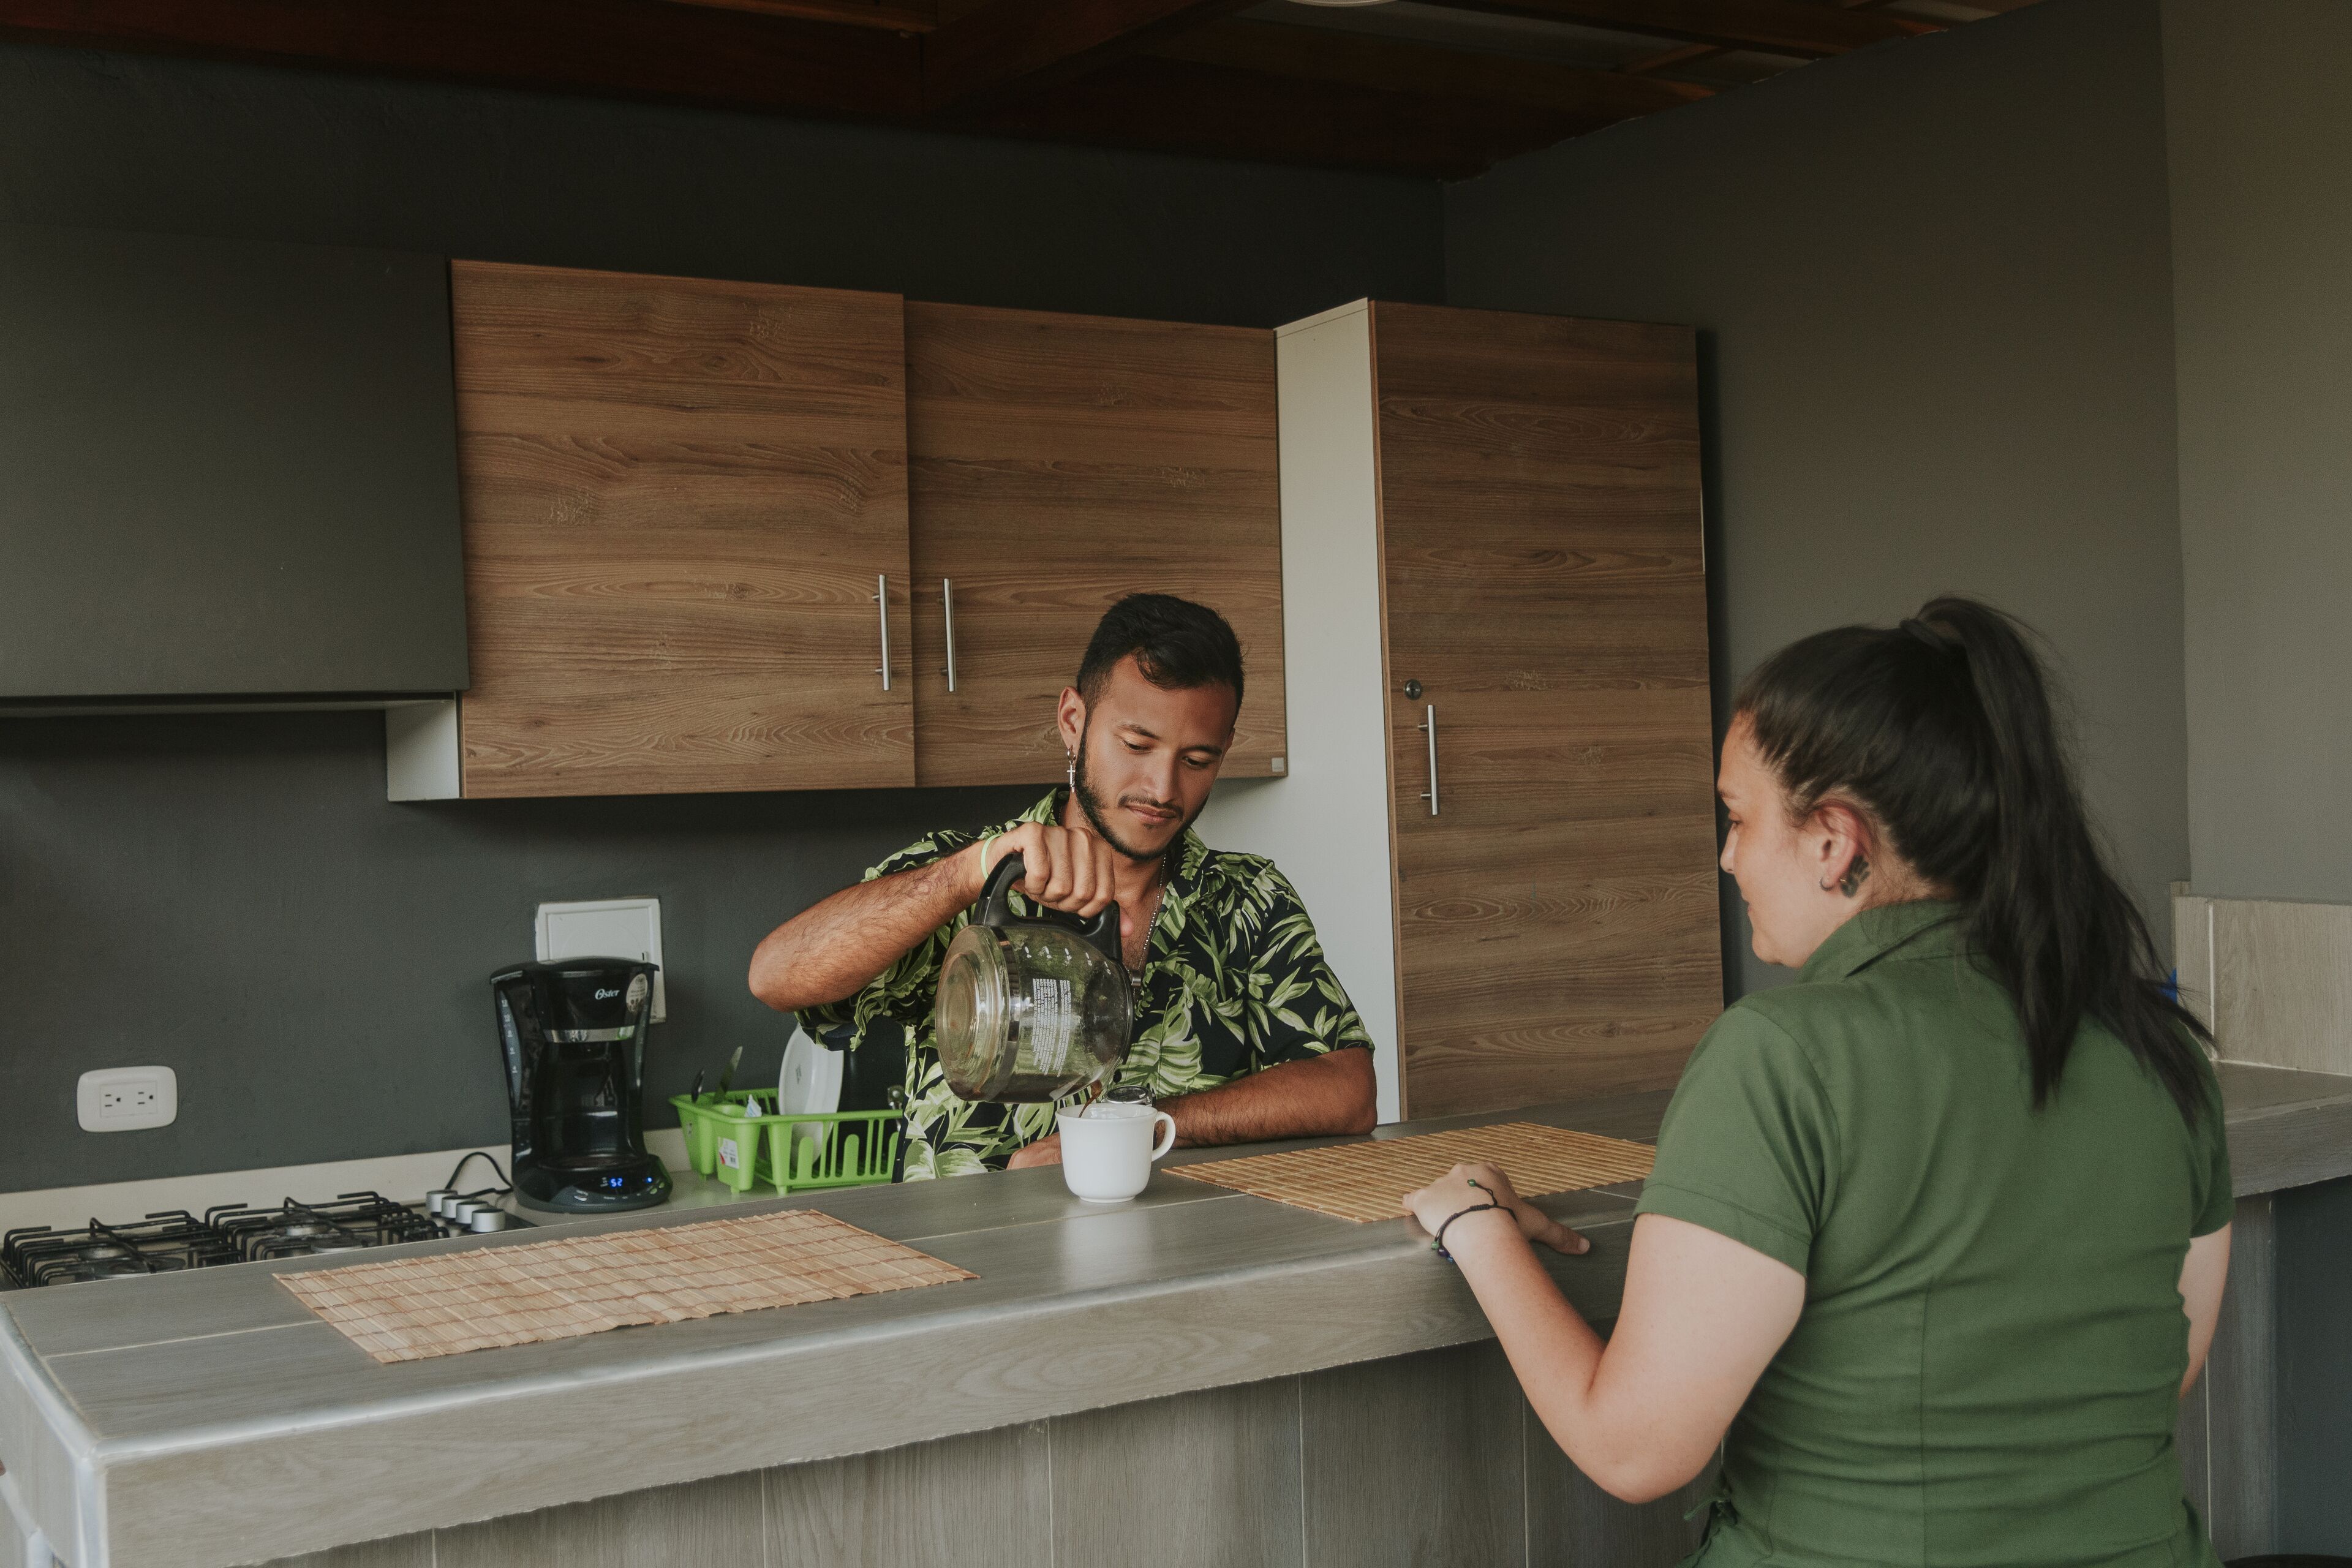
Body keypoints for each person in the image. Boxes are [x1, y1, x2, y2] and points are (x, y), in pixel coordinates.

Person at [1403, 596, 2231, 1567]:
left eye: (1738, 818)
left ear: (1834, 842)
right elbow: (2166, 1371)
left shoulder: (1780, 1058)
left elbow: (1635, 1448)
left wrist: (1476, 1225)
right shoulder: (2161, 1052)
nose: (1727, 857)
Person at [750, 593, 1377, 1179]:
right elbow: (775, 975)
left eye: (1197, 760)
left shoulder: (1249, 898)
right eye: (1137, 745)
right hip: (970, 1254)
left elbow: (1347, 1090)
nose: (1163, 789)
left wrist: (1145, 1127)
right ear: (1074, 721)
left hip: (1185, 1252)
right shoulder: (966, 875)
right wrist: (969, 871)